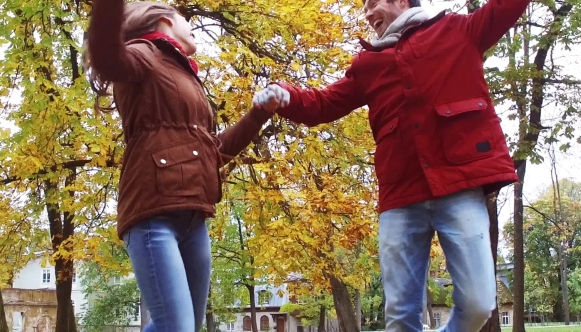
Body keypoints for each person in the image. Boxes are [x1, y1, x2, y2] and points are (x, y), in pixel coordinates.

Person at [253, 0, 530, 330]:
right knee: (399, 315)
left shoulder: (457, 30)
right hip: (400, 196)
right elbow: (324, 104)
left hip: (459, 187)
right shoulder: (370, 63)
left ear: (401, 1)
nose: (367, 13)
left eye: (372, 3)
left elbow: (505, 8)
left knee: (478, 303)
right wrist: (285, 95)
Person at [85, 1, 279, 331]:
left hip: (194, 218)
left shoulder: (185, 74)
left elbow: (213, 151)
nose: (190, 26)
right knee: (176, 326)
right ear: (165, 20)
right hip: (152, 213)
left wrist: (258, 114)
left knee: (185, 326)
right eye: (184, 19)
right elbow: (105, 56)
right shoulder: (143, 55)